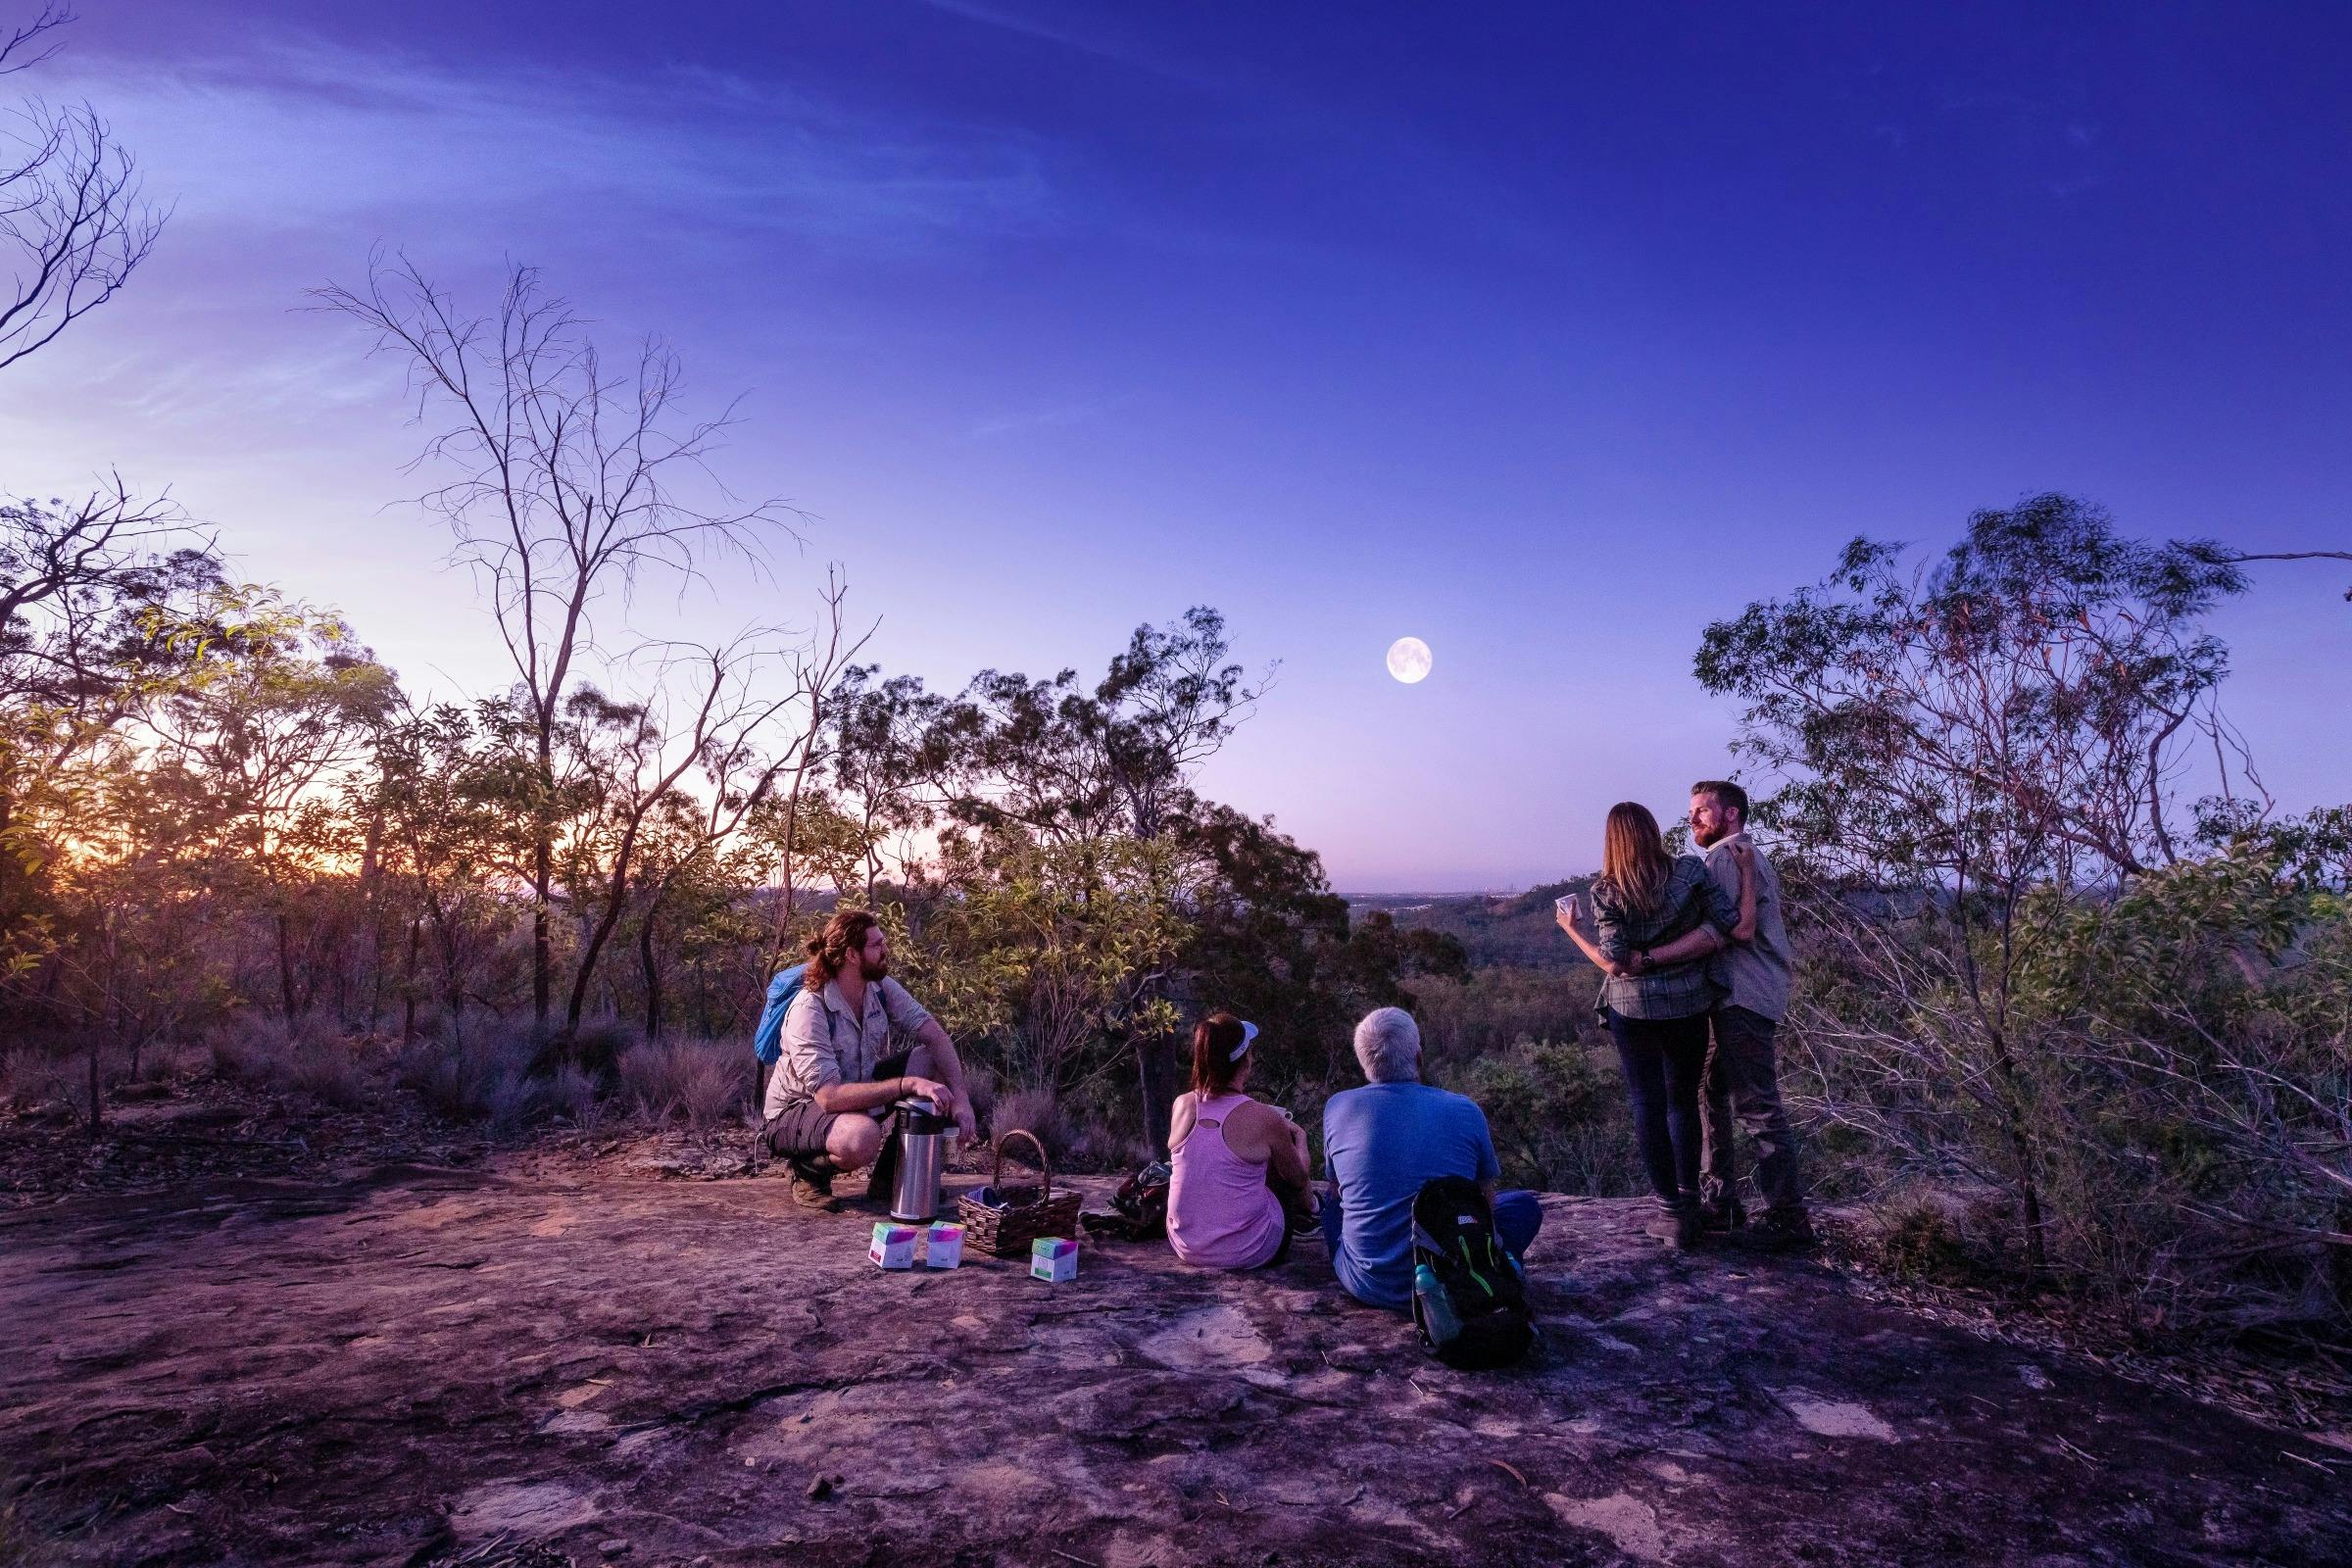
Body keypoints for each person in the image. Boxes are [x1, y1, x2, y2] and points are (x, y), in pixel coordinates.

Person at [1555, 801, 1750, 1249]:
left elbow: (1615, 962)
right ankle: (1688, 1205)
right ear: (1653, 831)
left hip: (1634, 1009)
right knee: (1682, 1100)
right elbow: (1728, 923)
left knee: (1647, 1102)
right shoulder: (1689, 872)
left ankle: (1670, 1212)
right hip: (1688, 1004)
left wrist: (1570, 929)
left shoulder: (1608, 890)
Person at [1633, 781, 1814, 1250]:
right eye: (1690, 810)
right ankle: (1722, 1201)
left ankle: (1788, 1218)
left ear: (1731, 815)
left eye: (1702, 811)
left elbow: (1728, 931)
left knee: (1756, 1105)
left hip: (1742, 997)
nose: (1692, 819)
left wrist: (1646, 959)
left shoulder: (1726, 860)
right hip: (1732, 996)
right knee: (1709, 1093)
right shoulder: (1736, 858)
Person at [1319, 1007, 1543, 1310]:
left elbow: (1336, 1188)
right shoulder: (1465, 1109)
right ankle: (1494, 1268)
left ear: (1364, 1064)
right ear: (1419, 1057)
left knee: (1330, 1207)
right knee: (1524, 1206)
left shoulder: (1337, 1107)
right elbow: (1486, 1203)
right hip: (1451, 1278)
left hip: (1371, 1285)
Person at [763, 909, 978, 1210]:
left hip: (852, 1090)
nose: (885, 950)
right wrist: (907, 1085)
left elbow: (934, 1035)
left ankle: (890, 1178)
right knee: (863, 1136)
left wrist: (962, 1098)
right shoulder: (809, 1008)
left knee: (932, 1059)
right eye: (876, 945)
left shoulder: (878, 987)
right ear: (851, 954)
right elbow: (828, 1097)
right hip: (795, 1112)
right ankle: (807, 1172)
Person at [1165, 1012, 1315, 1270]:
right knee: (1277, 1169)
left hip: (1184, 1246)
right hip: (1248, 1250)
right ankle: (1313, 1211)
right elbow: (1298, 1178)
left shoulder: (1182, 1104)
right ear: (1245, 1061)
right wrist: (1299, 1139)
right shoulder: (1265, 1117)